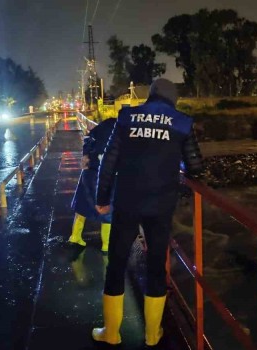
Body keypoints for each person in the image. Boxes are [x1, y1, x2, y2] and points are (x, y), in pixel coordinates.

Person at [92, 78, 203, 346]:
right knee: (156, 265)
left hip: (127, 202)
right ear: (172, 100)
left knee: (117, 263)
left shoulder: (127, 117)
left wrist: (102, 198)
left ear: (150, 96)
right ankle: (153, 335)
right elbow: (196, 166)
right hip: (160, 206)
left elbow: (109, 161)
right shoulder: (182, 122)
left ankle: (111, 332)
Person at [68, 117, 117, 252]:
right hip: (106, 176)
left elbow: (87, 140)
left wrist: (85, 156)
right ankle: (107, 244)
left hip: (89, 173)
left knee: (82, 205)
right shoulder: (121, 132)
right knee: (108, 210)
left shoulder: (99, 129)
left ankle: (75, 236)